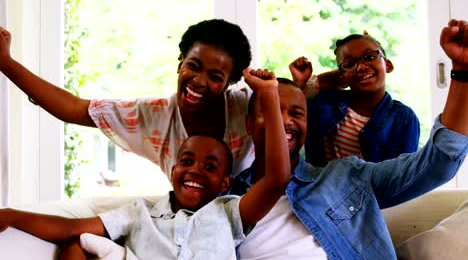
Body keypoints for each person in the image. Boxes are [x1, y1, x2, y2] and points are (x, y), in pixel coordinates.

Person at [229, 19, 468, 259]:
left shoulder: (346, 176)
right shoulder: (224, 195)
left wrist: (462, 70)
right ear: (249, 124)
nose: (284, 121)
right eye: (270, 109)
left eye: (296, 113)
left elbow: (437, 164)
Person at [0, 69, 291, 260]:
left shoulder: (229, 212)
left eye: (210, 167)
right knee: (75, 247)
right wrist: (13, 215)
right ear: (172, 169)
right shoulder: (140, 214)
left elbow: (277, 179)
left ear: (225, 182)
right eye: (186, 161)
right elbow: (72, 227)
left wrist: (268, 94)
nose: (194, 171)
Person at [0, 19, 254, 178]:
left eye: (215, 76)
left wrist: (295, 82)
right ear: (180, 65)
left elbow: (292, 117)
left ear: (229, 84)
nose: (198, 81)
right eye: (193, 66)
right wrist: (6, 63)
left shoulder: (248, 105)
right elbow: (73, 108)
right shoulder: (154, 115)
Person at [289, 32, 420, 166]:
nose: (361, 67)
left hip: (376, 187)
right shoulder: (325, 104)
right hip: (321, 186)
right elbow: (289, 116)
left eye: (370, 57)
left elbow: (405, 174)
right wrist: (300, 84)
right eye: (349, 64)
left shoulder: (404, 117)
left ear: (388, 65)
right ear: (342, 77)